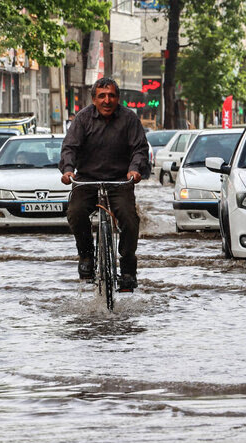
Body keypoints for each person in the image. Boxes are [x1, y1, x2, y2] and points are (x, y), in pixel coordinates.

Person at [59, 77, 150, 292]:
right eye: (102, 96)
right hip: (86, 181)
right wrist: (68, 169)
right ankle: (86, 257)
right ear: (94, 99)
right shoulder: (82, 119)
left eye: (111, 96)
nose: (107, 100)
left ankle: (128, 268)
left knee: (129, 219)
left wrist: (135, 169)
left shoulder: (129, 119)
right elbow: (69, 147)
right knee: (75, 212)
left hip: (120, 181)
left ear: (118, 98)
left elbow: (140, 148)